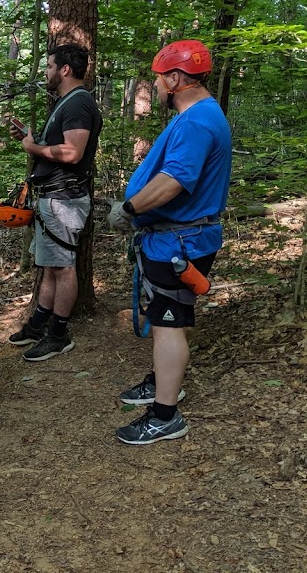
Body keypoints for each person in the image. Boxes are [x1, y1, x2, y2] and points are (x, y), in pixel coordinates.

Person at [108, 40, 231, 445]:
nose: (157, 87)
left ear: (176, 78)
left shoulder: (196, 121)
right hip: (177, 240)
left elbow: (175, 181)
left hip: (181, 243)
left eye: (160, 79)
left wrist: (129, 209)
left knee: (168, 323)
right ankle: (163, 380)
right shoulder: (198, 116)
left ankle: (165, 415)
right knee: (170, 318)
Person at [7, 43, 103, 361]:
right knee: (50, 266)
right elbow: (60, 146)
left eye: (49, 66)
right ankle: (38, 325)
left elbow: (73, 153)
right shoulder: (67, 103)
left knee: (62, 268)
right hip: (53, 197)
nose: (46, 72)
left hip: (65, 199)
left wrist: (33, 150)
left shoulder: (78, 104)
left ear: (64, 70)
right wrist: (32, 139)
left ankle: (59, 334)